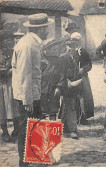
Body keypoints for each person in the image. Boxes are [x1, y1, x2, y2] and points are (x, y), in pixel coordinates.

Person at [11, 13, 53, 167]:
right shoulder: (28, 45)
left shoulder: (30, 42)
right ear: (40, 29)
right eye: (46, 27)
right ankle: (24, 163)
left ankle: (36, 157)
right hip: (27, 95)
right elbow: (24, 74)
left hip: (31, 92)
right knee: (26, 129)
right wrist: (27, 100)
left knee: (35, 126)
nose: (48, 30)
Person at [61, 32, 93, 139]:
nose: (71, 47)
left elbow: (89, 64)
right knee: (67, 105)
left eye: (74, 44)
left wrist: (82, 70)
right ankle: (66, 126)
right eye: (69, 45)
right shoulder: (64, 56)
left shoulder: (82, 52)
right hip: (67, 81)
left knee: (81, 99)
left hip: (80, 79)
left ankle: (80, 119)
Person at [0, 30, 20, 143]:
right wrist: (10, 70)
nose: (7, 42)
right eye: (4, 40)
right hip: (1, 84)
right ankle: (5, 132)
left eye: (9, 39)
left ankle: (16, 130)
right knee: (1, 109)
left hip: (12, 84)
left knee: (14, 108)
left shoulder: (15, 52)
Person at [41, 38, 66, 121]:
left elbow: (62, 74)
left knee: (53, 109)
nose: (55, 51)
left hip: (54, 89)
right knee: (42, 110)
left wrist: (59, 87)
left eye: (56, 49)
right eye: (53, 49)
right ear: (47, 50)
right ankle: (43, 131)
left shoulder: (59, 60)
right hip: (42, 89)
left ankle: (52, 130)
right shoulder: (42, 60)